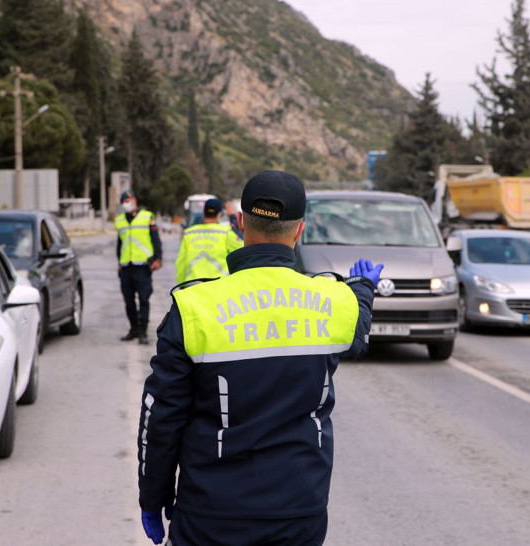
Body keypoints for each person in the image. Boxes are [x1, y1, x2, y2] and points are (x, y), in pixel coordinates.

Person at [137, 170, 382, 545]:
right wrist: (363, 288)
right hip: (299, 511)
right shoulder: (333, 301)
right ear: (299, 229)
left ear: (240, 224)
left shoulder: (193, 306)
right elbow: (360, 331)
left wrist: (153, 497)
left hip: (209, 512)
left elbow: (161, 415)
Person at [115, 189, 163, 345]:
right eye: (124, 201)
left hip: (142, 266)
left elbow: (155, 240)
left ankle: (143, 331)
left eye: (129, 200)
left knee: (143, 299)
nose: (127, 203)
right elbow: (120, 243)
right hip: (126, 267)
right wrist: (119, 263)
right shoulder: (120, 220)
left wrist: (158, 258)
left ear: (135, 200)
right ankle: (133, 328)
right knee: (128, 301)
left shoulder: (147, 217)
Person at [174, 198, 243, 284]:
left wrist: (181, 283)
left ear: (203, 212)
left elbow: (180, 263)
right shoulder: (226, 233)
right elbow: (242, 253)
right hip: (218, 288)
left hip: (193, 288)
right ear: (219, 214)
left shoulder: (188, 234)